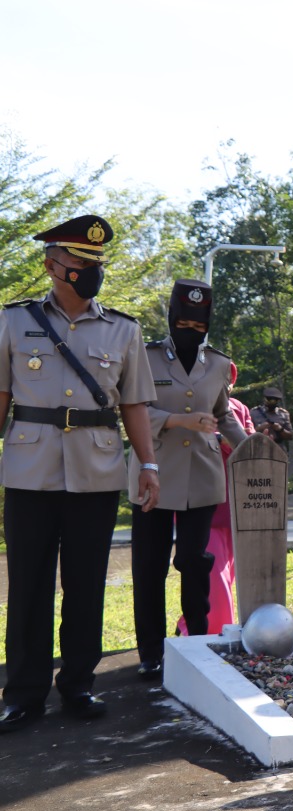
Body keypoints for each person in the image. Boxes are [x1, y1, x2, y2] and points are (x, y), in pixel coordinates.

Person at [0, 215, 160, 731]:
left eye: (97, 264)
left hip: (96, 470)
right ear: (53, 266)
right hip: (28, 469)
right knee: (27, 583)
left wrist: (149, 464)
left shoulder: (124, 329)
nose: (91, 272)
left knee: (86, 583)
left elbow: (134, 404)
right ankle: (23, 691)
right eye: (80, 263)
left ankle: (78, 683)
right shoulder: (11, 322)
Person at [129, 279, 248, 680]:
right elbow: (131, 410)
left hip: (202, 473)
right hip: (153, 474)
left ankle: (198, 639)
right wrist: (179, 420)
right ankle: (150, 651)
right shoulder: (144, 357)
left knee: (194, 562)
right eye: (183, 324)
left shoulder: (216, 363)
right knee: (150, 566)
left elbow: (223, 412)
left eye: (198, 328)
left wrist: (249, 447)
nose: (190, 332)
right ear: (171, 319)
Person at [176, 361, 256, 638]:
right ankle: (218, 633)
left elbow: (250, 441)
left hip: (236, 500)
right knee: (215, 576)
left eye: (227, 379)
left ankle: (188, 623)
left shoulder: (240, 408)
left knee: (230, 573)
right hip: (202, 499)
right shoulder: (189, 405)